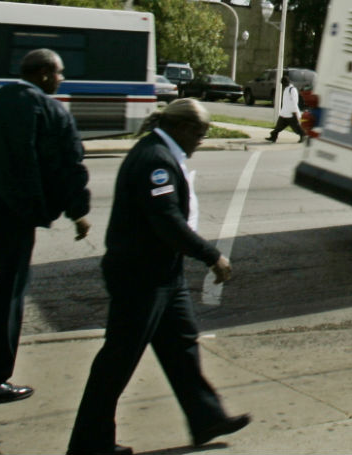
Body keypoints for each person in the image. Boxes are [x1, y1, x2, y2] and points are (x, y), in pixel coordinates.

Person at [66, 99, 249, 455]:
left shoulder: (162, 154)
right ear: (180, 128)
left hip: (164, 274)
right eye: (199, 133)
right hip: (141, 276)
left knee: (181, 345)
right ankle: (90, 443)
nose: (201, 140)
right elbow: (166, 220)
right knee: (118, 359)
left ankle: (206, 418)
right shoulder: (155, 161)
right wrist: (211, 255)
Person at [0, 48, 92, 406]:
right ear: (43, 73)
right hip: (17, 215)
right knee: (12, 290)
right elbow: (68, 164)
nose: (62, 79)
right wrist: (78, 211)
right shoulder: (50, 110)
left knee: (10, 286)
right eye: (59, 73)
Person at [267, 73, 304, 142]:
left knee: (296, 127)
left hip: (291, 113)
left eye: (283, 83)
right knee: (278, 127)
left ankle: (303, 136)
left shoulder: (292, 90)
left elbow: (294, 102)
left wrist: (295, 112)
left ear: (287, 82)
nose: (283, 85)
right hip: (284, 113)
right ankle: (273, 137)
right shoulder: (286, 89)